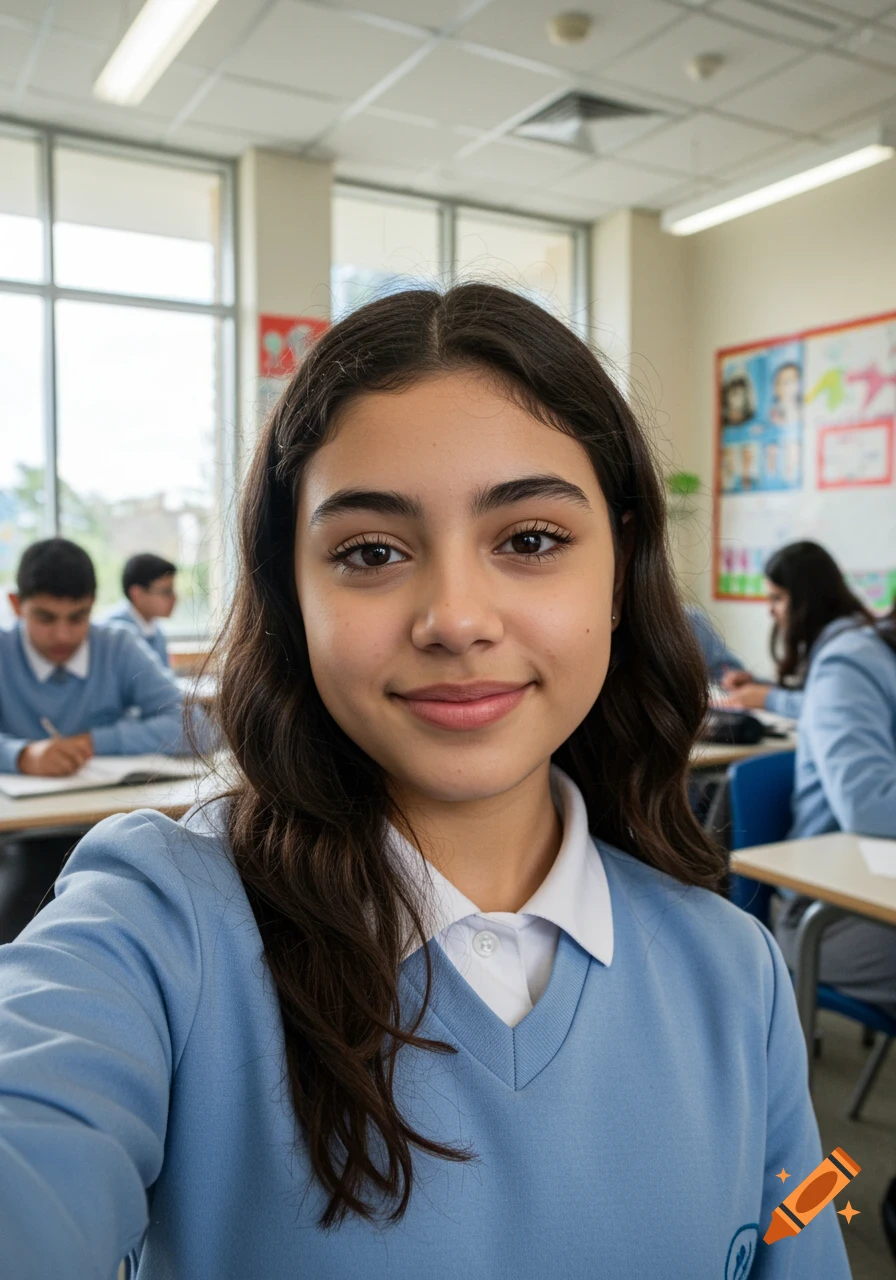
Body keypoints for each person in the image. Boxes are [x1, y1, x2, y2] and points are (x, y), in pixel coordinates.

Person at [0, 287, 848, 1279]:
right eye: (370, 551)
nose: (454, 616)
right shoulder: (162, 924)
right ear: (292, 592)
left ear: (616, 571)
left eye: (529, 539)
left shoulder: (733, 971)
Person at [0, 538, 195, 941]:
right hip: (21, 842)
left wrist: (95, 742)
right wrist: (21, 755)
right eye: (45, 617)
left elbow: (194, 726)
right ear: (17, 605)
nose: (63, 634)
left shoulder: (117, 646)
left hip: (108, 826)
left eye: (78, 616)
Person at [769, 542, 896, 1016]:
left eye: (777, 599)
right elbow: (866, 802)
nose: (772, 613)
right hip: (829, 914)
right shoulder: (853, 658)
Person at [687, 603, 802, 717]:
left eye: (778, 598)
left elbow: (814, 702)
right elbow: (799, 689)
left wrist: (766, 698)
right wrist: (755, 684)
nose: (770, 610)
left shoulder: (692, 620)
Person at [105, 552, 176, 667]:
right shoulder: (113, 632)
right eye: (166, 592)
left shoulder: (157, 633)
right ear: (137, 593)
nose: (174, 598)